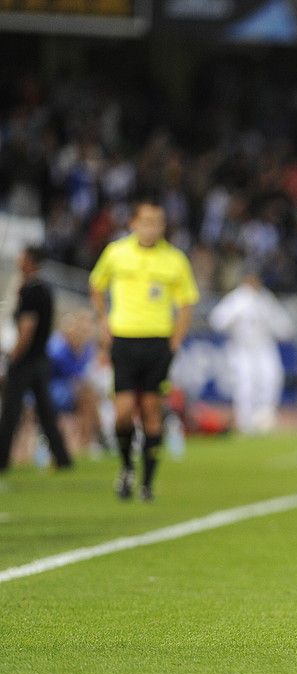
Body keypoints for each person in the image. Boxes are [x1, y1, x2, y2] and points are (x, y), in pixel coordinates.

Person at [90, 199, 199, 501]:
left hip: (157, 342)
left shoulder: (175, 259)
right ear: (133, 223)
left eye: (158, 221)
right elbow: (96, 284)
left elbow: (186, 302)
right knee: (123, 412)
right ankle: (126, 467)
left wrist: (176, 338)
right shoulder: (116, 253)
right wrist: (103, 321)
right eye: (147, 221)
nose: (153, 227)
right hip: (124, 340)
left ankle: (147, 482)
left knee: (152, 410)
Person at [0, 245, 73, 473]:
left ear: (30, 261)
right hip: (41, 359)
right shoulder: (45, 288)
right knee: (46, 413)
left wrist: (14, 355)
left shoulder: (30, 290)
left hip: (26, 361)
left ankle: (1, 459)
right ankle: (62, 458)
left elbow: (26, 328)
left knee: (10, 412)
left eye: (22, 257)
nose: (18, 260)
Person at [209, 271, 295, 434]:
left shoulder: (265, 298)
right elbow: (217, 320)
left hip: (264, 345)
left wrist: (284, 331)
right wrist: (235, 315)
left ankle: (265, 417)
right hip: (241, 347)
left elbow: (282, 324)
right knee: (245, 383)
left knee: (271, 378)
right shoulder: (236, 299)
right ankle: (245, 422)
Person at [47, 312, 103, 455]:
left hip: (74, 391)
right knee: (88, 396)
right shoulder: (56, 348)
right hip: (52, 391)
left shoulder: (87, 349)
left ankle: (89, 440)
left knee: (90, 396)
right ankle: (93, 439)